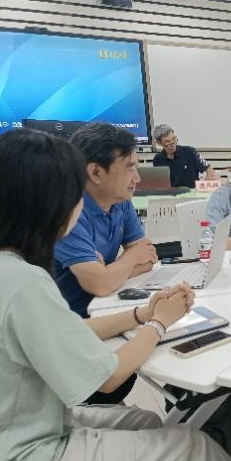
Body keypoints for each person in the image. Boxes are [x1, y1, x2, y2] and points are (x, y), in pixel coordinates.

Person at [0, 128, 231, 461]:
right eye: (70, 193)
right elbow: (108, 377)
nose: (77, 203)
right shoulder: (25, 282)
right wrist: (159, 324)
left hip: (21, 431)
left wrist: (142, 313)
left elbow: (72, 330)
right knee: (191, 452)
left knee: (144, 422)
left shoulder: (10, 269)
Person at [54, 123, 158, 319]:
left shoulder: (120, 201)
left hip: (107, 306)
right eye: (129, 168)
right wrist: (131, 258)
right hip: (69, 320)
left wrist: (108, 273)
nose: (137, 178)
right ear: (95, 172)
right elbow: (100, 285)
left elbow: (149, 258)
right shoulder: (68, 212)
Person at [152, 123, 217, 188]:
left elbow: (210, 172)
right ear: (159, 143)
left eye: (174, 139)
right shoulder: (158, 159)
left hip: (193, 192)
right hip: (172, 193)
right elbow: (160, 185)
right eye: (167, 142)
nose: (172, 144)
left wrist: (201, 189)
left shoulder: (190, 152)